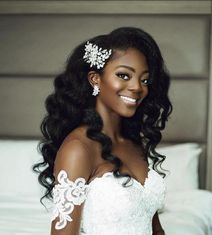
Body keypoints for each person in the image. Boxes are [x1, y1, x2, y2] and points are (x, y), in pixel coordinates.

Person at [33, 26, 172, 235]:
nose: (137, 87)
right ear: (95, 79)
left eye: (144, 79)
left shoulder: (135, 143)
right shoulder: (78, 149)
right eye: (124, 75)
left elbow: (155, 228)